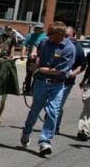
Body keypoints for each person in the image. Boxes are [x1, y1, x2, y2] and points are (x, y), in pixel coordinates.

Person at [20, 22, 76, 156]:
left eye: (51, 35)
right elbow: (37, 46)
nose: (47, 36)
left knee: (53, 111)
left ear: (60, 35)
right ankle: (26, 132)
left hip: (57, 84)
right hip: (41, 83)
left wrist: (38, 68)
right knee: (35, 110)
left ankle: (45, 142)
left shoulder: (69, 49)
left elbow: (58, 71)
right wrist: (34, 53)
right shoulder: (45, 41)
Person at [53, 26, 86, 136]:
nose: (65, 37)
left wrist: (74, 73)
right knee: (52, 104)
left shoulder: (78, 48)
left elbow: (83, 65)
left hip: (66, 82)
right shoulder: (58, 44)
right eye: (64, 35)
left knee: (58, 105)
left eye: (67, 35)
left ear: (74, 35)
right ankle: (53, 123)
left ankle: (54, 127)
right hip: (53, 79)